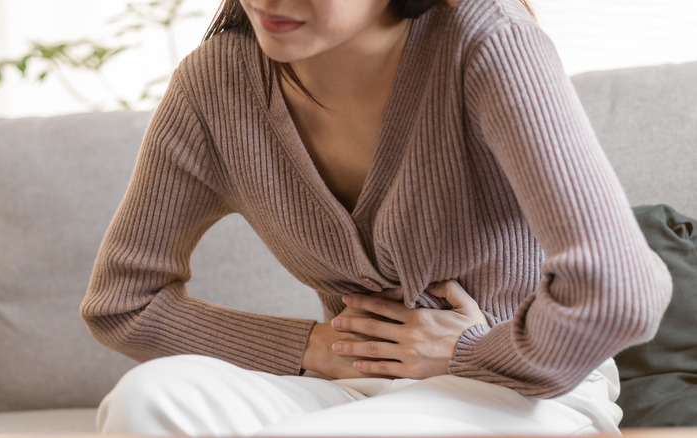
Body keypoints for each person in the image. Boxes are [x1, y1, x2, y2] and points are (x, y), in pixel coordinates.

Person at [80, 0, 673, 435]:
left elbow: (621, 291)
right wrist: (319, 346)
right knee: (150, 401)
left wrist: (468, 353)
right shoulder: (214, 85)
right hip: (352, 390)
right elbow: (123, 302)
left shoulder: (486, 43)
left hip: (527, 393)